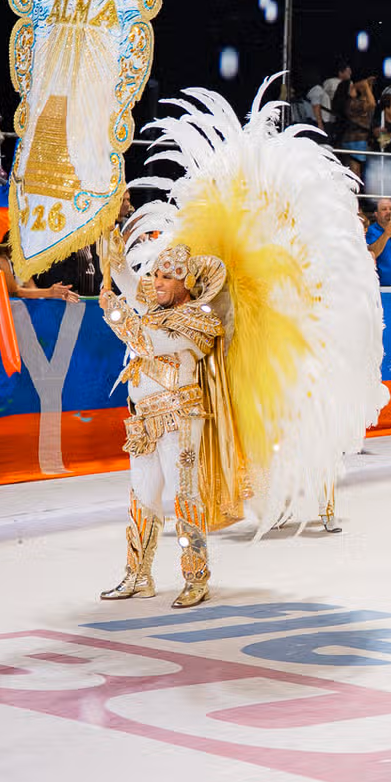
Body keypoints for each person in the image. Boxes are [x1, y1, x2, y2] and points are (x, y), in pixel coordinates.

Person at [97, 233, 227, 608]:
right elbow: (126, 279)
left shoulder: (198, 319)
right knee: (142, 498)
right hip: (143, 421)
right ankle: (138, 575)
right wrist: (113, 254)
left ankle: (195, 576)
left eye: (167, 278)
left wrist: (116, 312)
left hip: (179, 418)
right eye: (155, 275)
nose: (157, 282)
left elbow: (147, 344)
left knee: (183, 497)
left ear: (186, 284)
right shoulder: (156, 309)